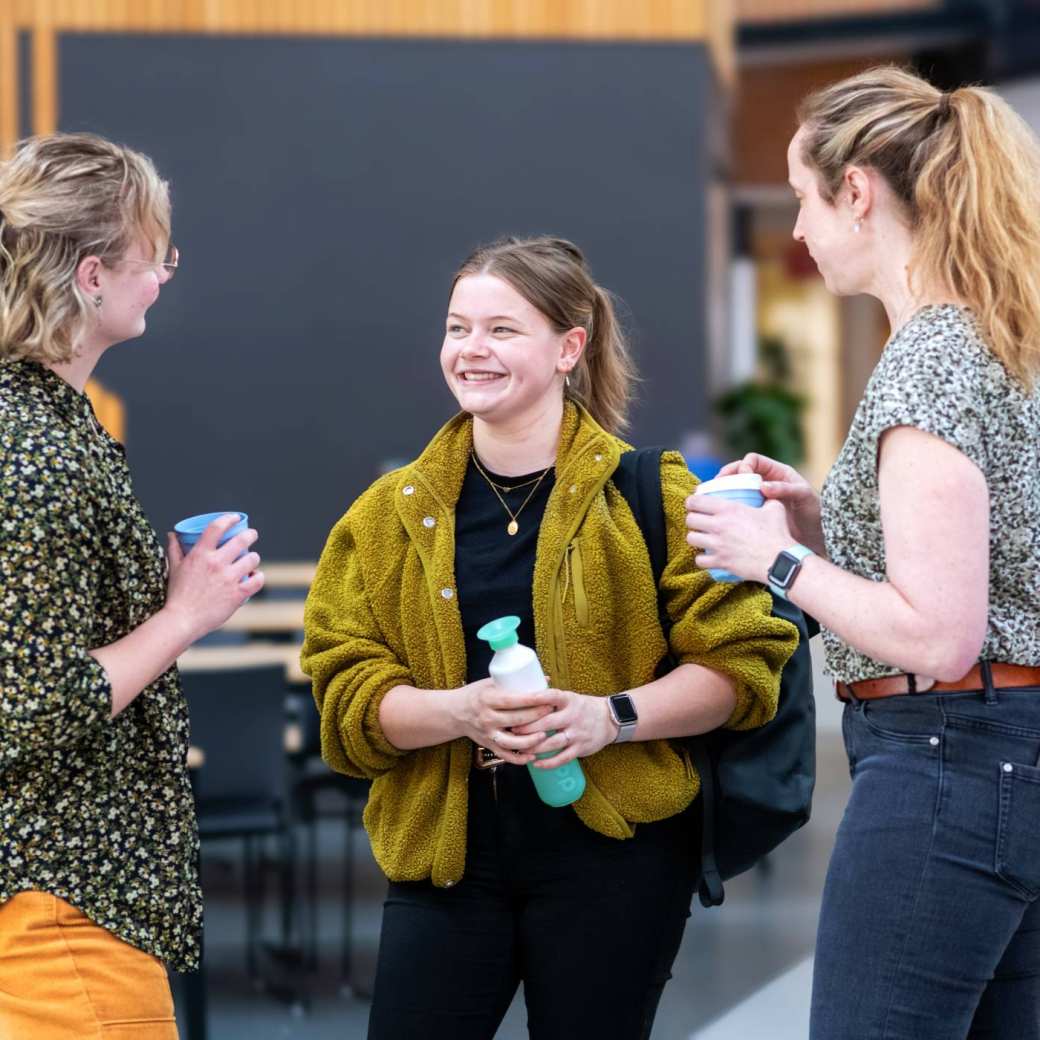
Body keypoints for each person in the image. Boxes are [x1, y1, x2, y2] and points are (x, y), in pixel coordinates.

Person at [302, 234, 797, 1040]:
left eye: (502, 329)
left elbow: (740, 669)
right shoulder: (385, 514)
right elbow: (345, 695)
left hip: (618, 857)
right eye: (458, 328)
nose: (472, 350)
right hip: (444, 851)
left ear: (570, 347)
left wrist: (611, 717)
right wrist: (459, 712)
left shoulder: (654, 494)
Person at [685, 66, 1040, 1040]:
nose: (796, 229)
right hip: (1003, 757)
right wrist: (822, 531)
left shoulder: (925, 359)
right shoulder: (992, 339)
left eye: (803, 196)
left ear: (856, 191)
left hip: (943, 765)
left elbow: (936, 634)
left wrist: (774, 558)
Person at [0, 132, 264, 1038]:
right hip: (59, 904)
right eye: (154, 254)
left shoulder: (44, 420)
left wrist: (147, 590)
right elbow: (31, 704)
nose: (164, 275)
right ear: (90, 275)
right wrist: (186, 615)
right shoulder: (31, 449)